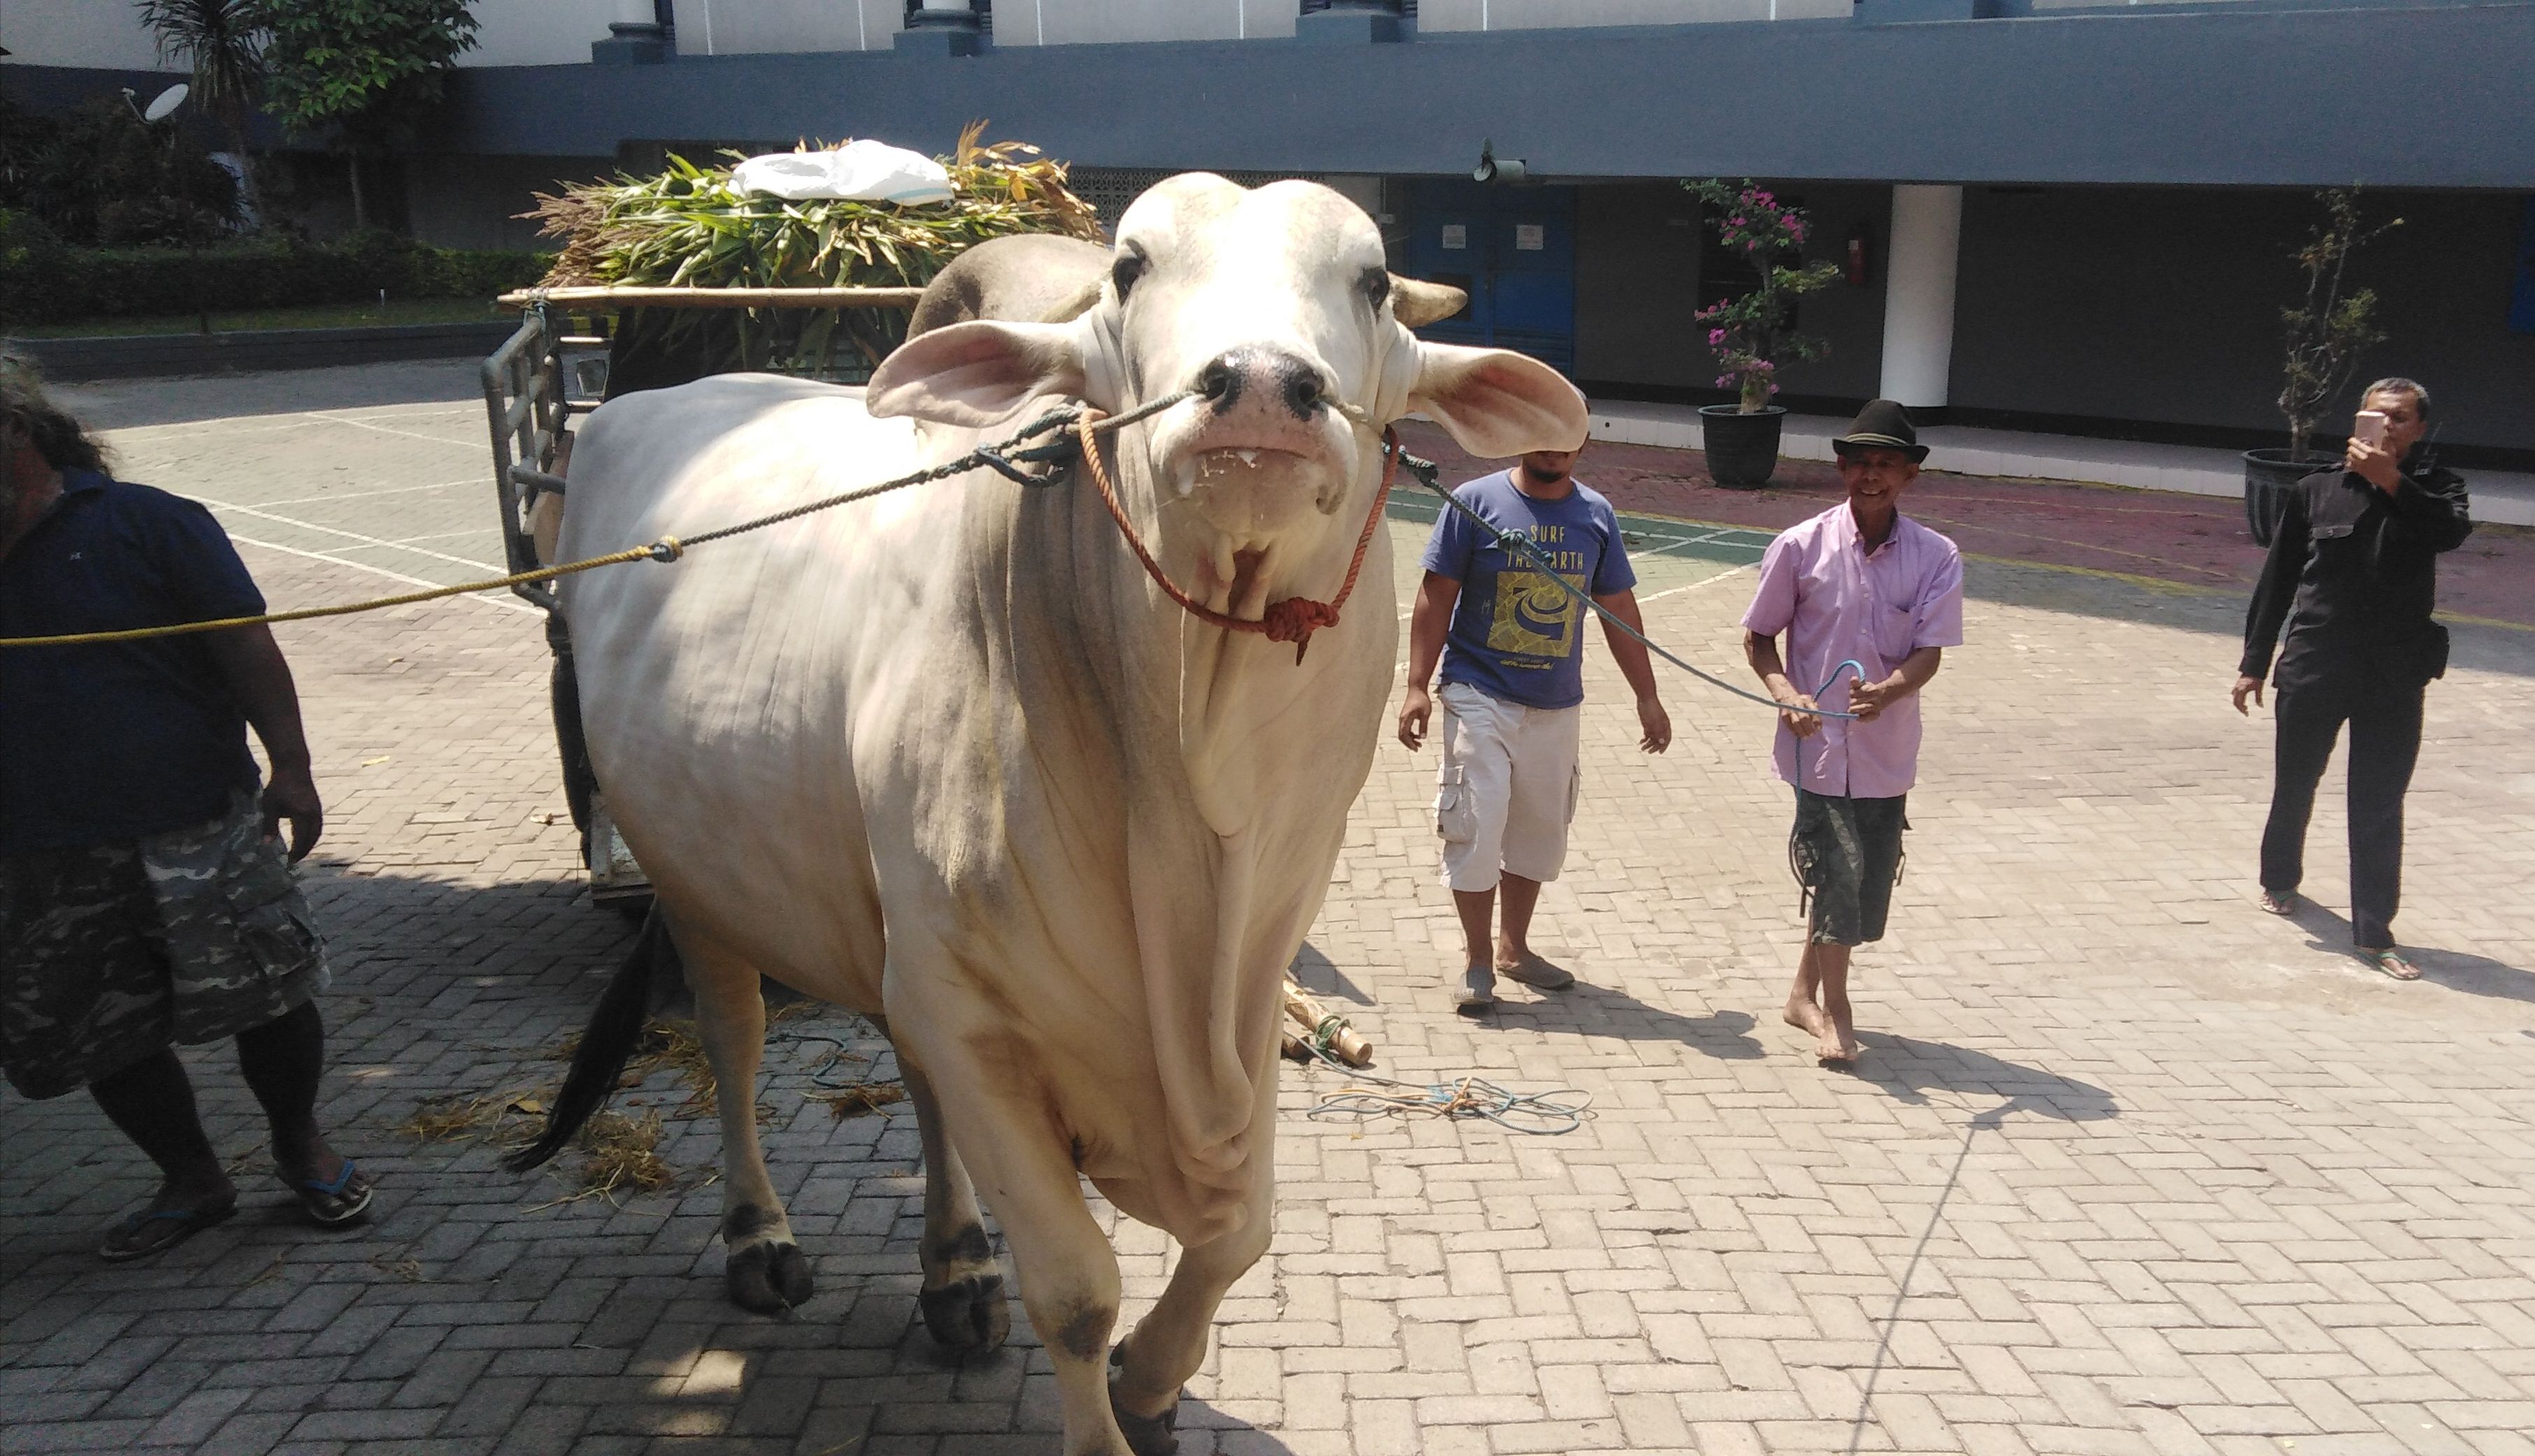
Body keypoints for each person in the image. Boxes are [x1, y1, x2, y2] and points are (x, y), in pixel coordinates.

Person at [0, 357, 371, 1259]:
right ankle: (192, 1177)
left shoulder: (150, 524)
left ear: (17, 432)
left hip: (194, 818)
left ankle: (301, 1143)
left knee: (270, 994)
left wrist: (292, 766)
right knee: (100, 1027)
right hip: (36, 844)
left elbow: (245, 646)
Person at [1397, 442, 1670, 1014]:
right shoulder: (1474, 503)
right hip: (1479, 693)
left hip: (1555, 705)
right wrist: (1417, 684)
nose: (1554, 447)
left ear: (1582, 443)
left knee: (1539, 832)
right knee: (1477, 820)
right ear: (1521, 435)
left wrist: (1647, 695)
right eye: (1542, 433)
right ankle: (1476, 962)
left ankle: (1513, 950)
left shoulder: (1596, 514)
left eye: (1566, 436)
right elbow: (1436, 595)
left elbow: (1617, 606)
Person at [1741, 400, 1962, 1063]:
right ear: (1841, 468)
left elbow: (1930, 651)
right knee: (1835, 873)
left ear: (1908, 476)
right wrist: (1786, 692)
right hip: (1815, 748)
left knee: (1863, 887)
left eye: (1885, 464)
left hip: (1884, 750)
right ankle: (1835, 1009)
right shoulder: (1798, 545)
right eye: (1860, 463)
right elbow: (1757, 639)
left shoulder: (1936, 556)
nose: (1871, 475)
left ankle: (1800, 994)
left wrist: (1891, 690)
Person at [2235, 379, 2471, 981]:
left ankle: (2373, 933)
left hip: (2393, 676)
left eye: (2397, 419)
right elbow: (2279, 578)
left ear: (2418, 429)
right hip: (2315, 665)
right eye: (2374, 415)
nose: (2384, 427)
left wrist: (2390, 480)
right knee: (2295, 784)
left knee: (2377, 803)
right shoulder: (2316, 489)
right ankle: (2279, 877)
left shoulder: (2435, 489)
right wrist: (2253, 662)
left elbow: (2449, 531)